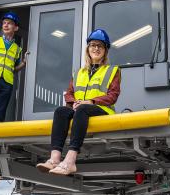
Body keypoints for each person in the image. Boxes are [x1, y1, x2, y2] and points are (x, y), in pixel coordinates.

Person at [36, 29, 120, 176]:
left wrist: (90, 101)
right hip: (81, 109)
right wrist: (74, 102)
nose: (96, 48)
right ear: (88, 49)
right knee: (61, 111)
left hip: (102, 110)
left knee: (83, 109)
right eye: (93, 45)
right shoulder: (79, 72)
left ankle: (70, 161)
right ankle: (54, 159)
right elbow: (69, 93)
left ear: (105, 50)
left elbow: (113, 96)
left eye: (100, 46)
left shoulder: (113, 70)